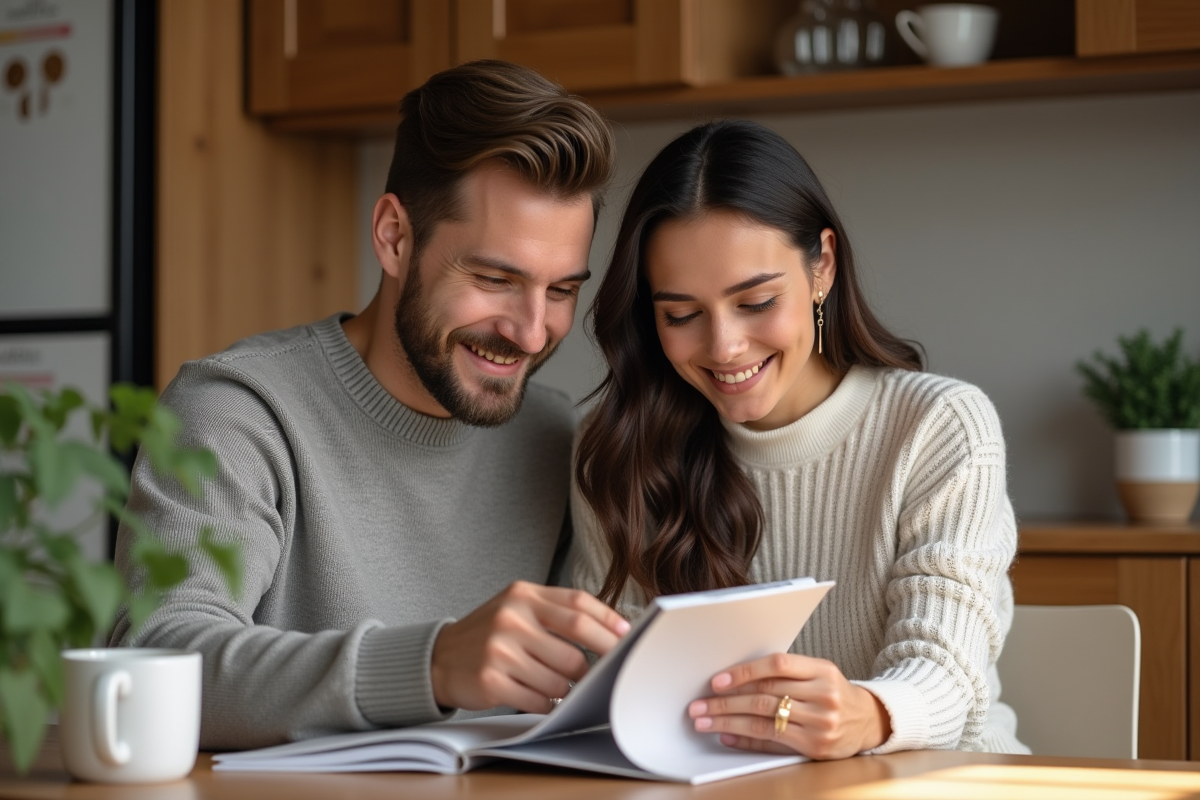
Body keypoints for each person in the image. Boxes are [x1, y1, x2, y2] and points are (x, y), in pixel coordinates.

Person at [110, 61, 630, 750]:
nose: (532, 332)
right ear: (394, 236)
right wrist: (434, 663)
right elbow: (155, 661)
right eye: (494, 279)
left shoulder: (557, 436)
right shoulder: (237, 412)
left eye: (561, 290)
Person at [572, 119, 1027, 759]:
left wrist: (867, 714)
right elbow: (605, 688)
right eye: (681, 315)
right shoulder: (621, 449)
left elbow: (947, 673)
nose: (724, 346)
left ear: (823, 268)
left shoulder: (937, 427)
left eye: (755, 302)